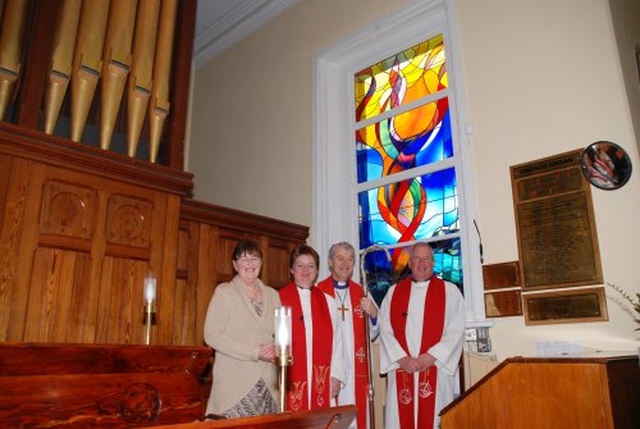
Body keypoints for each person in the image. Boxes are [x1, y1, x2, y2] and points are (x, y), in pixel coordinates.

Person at [378, 242, 465, 429]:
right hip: (403, 369)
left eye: (426, 259)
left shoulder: (450, 292)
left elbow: (456, 329)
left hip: (435, 368)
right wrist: (401, 359)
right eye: (416, 259)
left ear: (434, 263)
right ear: (409, 263)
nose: (421, 263)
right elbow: (384, 328)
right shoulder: (394, 293)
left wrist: (432, 356)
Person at [203, 239, 281, 418]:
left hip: (268, 384)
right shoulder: (224, 292)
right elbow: (211, 335)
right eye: (244, 259)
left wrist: (278, 347)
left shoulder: (273, 295)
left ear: (261, 263)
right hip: (234, 382)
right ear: (234, 265)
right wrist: (255, 351)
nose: (250, 264)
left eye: (254, 259)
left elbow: (281, 334)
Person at [317, 242, 379, 429]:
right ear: (330, 262)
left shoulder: (361, 291)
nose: (345, 263)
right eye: (340, 258)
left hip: (356, 371)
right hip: (330, 370)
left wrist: (375, 315)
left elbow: (374, 331)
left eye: (350, 259)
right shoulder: (319, 292)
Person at [279, 244, 347, 412]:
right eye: (299, 265)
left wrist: (337, 376)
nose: (305, 270)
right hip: (288, 377)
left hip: (321, 380)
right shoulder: (278, 298)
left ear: (316, 271)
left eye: (311, 266)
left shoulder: (328, 302)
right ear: (292, 270)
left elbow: (338, 342)